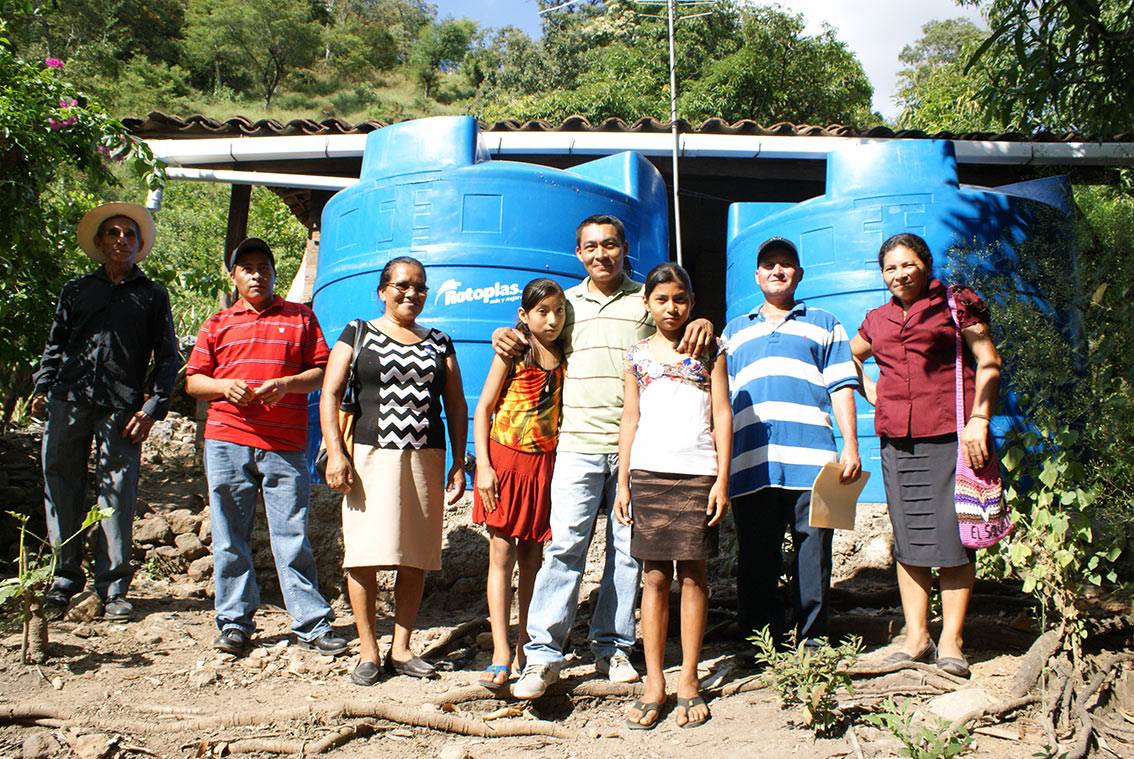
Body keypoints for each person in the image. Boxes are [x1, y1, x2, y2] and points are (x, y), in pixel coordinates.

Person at [495, 214, 713, 700]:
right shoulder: (565, 304)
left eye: (610, 244)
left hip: (638, 448)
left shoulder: (645, 300)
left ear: (624, 248)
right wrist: (503, 334)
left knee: (627, 552)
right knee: (565, 546)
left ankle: (612, 646)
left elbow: (677, 323)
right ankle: (542, 654)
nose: (601, 254)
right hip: (576, 443)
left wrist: (703, 319)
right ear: (578, 253)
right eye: (590, 246)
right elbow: (531, 333)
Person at [849, 232, 1002, 679]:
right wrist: (870, 390)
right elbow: (849, 357)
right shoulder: (876, 320)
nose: (899, 274)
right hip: (897, 440)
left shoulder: (956, 304)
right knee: (909, 538)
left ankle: (952, 640)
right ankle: (916, 637)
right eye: (890, 268)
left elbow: (988, 361)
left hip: (953, 434)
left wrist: (980, 418)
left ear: (926, 265)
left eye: (907, 264)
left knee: (955, 538)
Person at [185, 237, 345, 657]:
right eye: (247, 268)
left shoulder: (301, 317)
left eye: (263, 267)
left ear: (274, 273)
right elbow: (193, 382)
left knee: (292, 535)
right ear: (234, 276)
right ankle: (234, 622)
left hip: (285, 444)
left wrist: (288, 384)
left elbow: (322, 371)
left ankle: (311, 622)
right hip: (226, 439)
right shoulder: (217, 324)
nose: (256, 275)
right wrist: (223, 386)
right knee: (228, 535)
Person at [321, 256, 467, 687]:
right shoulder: (358, 332)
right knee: (363, 554)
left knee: (415, 555)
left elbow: (456, 405)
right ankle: (368, 651)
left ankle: (401, 648)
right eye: (402, 285)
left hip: (425, 457)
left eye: (420, 286)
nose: (411, 293)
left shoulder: (440, 341)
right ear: (382, 291)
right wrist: (336, 453)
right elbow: (330, 394)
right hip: (367, 455)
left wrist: (459, 462)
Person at [32, 202, 179, 622]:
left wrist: (152, 407)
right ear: (99, 242)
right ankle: (63, 581)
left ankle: (113, 588)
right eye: (113, 233)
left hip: (122, 407)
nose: (121, 239)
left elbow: (167, 357)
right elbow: (56, 345)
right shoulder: (77, 290)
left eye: (129, 234)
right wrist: (43, 387)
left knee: (118, 492)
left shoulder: (151, 295)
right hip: (69, 399)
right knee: (61, 484)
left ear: (139, 244)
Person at [721, 236, 861, 656]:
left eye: (785, 264)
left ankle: (813, 639)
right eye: (769, 265)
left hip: (815, 460)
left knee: (813, 553)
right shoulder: (733, 331)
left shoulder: (825, 322)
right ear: (757, 276)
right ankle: (759, 642)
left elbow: (842, 386)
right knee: (756, 555)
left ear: (799, 274)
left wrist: (851, 446)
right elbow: (720, 402)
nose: (777, 270)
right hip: (752, 462)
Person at [614, 263, 731, 729]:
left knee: (695, 575)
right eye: (661, 299)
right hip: (648, 474)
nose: (671, 308)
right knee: (655, 577)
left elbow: (722, 412)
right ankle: (654, 681)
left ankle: (688, 678)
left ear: (692, 302)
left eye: (680, 299)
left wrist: (722, 479)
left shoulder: (711, 350)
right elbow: (630, 418)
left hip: (699, 473)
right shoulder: (636, 355)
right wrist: (622, 483)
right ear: (647, 303)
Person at [472, 278, 566, 691]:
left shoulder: (565, 352)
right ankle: (500, 651)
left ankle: (528, 646)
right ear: (523, 315)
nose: (552, 320)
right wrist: (484, 467)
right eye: (542, 312)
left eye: (559, 311)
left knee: (533, 557)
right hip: (505, 461)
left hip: (543, 465)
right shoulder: (513, 351)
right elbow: (483, 408)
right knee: (501, 554)